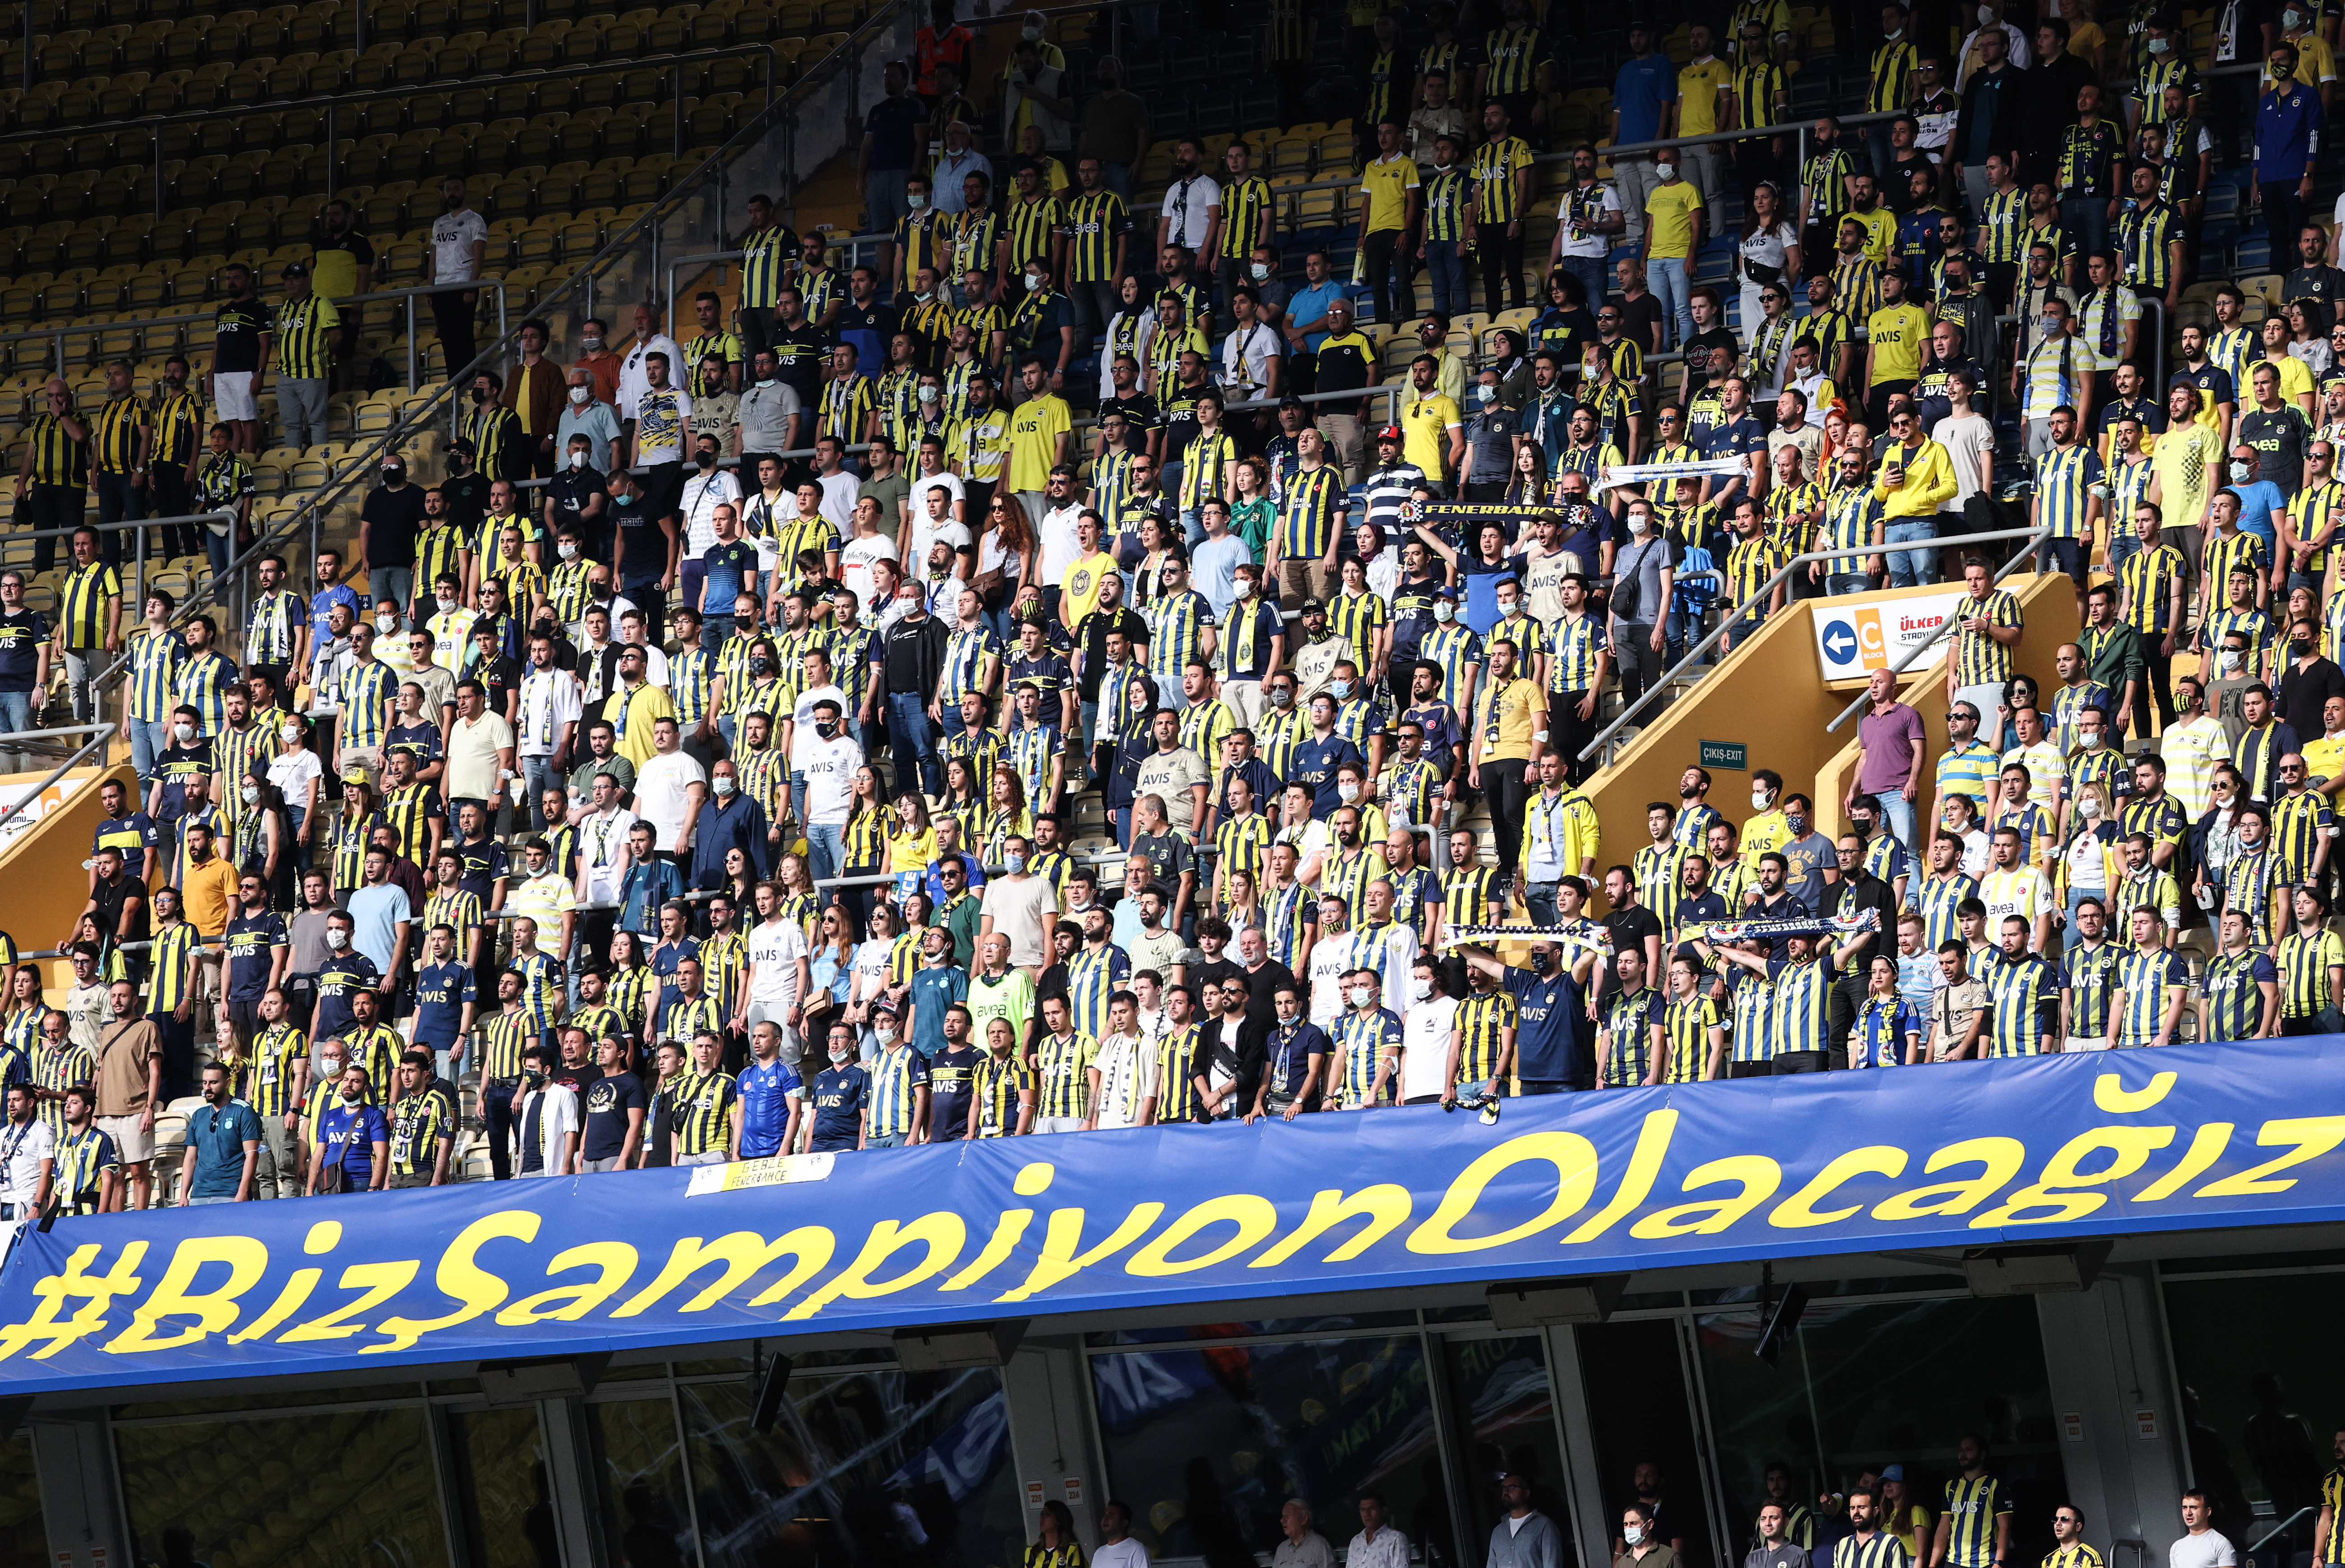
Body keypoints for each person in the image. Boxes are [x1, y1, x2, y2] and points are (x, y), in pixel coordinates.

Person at [176, 1061, 260, 1204]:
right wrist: (184, 1195)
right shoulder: (199, 1115)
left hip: (230, 1194)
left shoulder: (243, 1111)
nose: (207, 1088)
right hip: (199, 1195)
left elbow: (252, 1154)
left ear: (228, 1083)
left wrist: (242, 1192)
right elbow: (190, 1158)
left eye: (213, 1083)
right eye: (204, 1083)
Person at [1491, 1474, 1567, 1568]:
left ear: (1527, 1493)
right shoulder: (1498, 1532)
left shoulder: (1544, 1525)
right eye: (1503, 1488)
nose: (1506, 1491)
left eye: (1511, 1487)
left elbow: (1552, 1564)